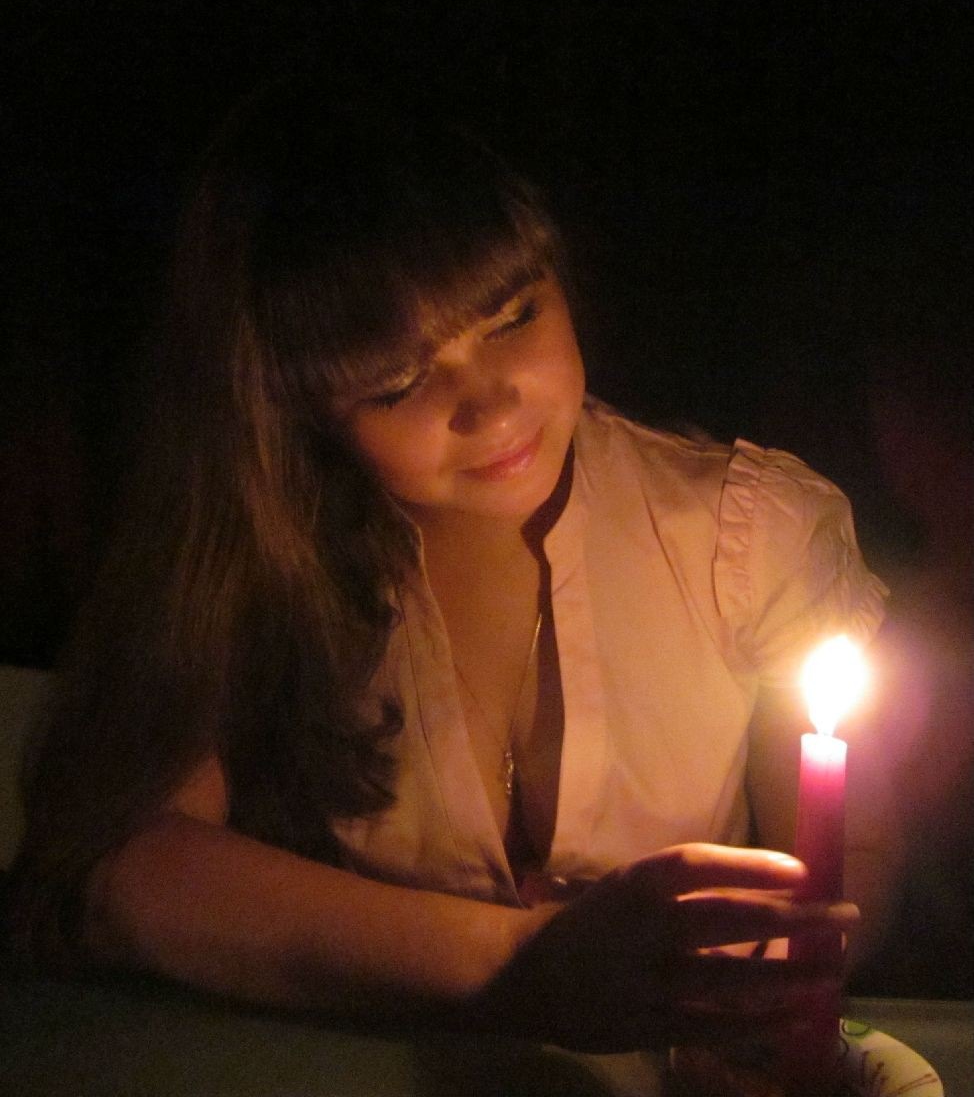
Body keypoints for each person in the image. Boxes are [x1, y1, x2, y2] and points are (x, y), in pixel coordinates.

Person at [7, 74, 891, 1054]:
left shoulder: (745, 534)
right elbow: (110, 875)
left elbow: (845, 860)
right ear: (291, 406)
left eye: (512, 317)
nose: (489, 401)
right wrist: (521, 961)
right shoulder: (258, 562)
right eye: (399, 381)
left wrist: (744, 987)